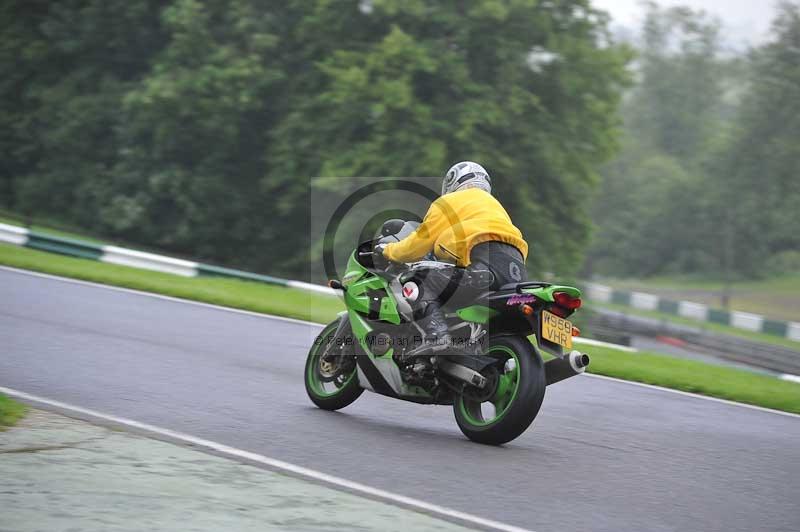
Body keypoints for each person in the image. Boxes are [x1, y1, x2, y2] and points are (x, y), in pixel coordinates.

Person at [374, 161, 529, 348]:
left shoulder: (449, 202)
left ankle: (437, 335)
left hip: (483, 272)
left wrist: (387, 250)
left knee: (418, 279)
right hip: (515, 277)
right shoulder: (496, 208)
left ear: (453, 182)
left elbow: (414, 247)